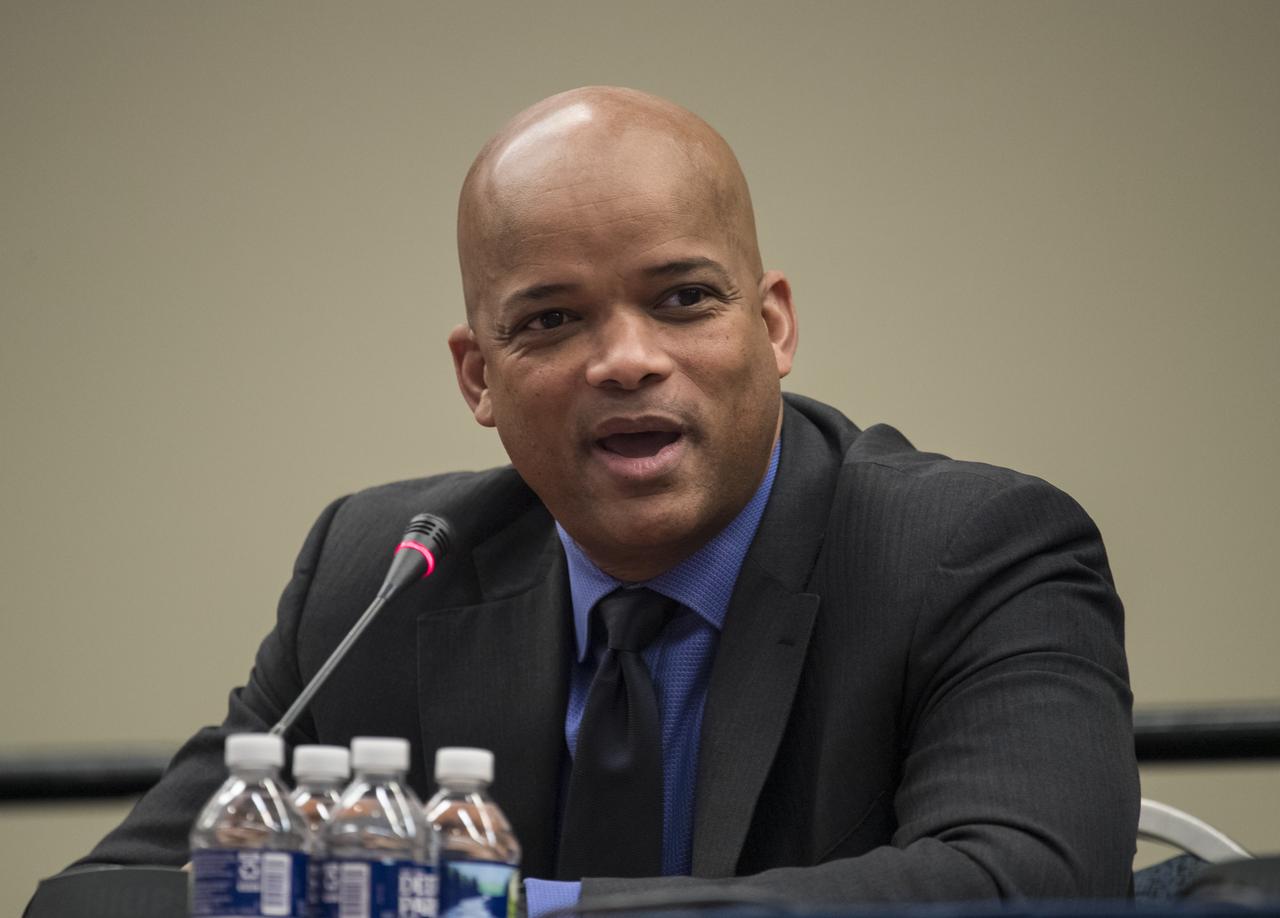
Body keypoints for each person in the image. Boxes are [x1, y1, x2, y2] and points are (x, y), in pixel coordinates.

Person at [75, 87, 1139, 909]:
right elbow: (99, 902)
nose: (626, 361)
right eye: (548, 320)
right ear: (476, 375)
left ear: (770, 327)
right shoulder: (382, 574)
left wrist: (495, 912)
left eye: (683, 299)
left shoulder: (970, 552)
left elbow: (1023, 889)